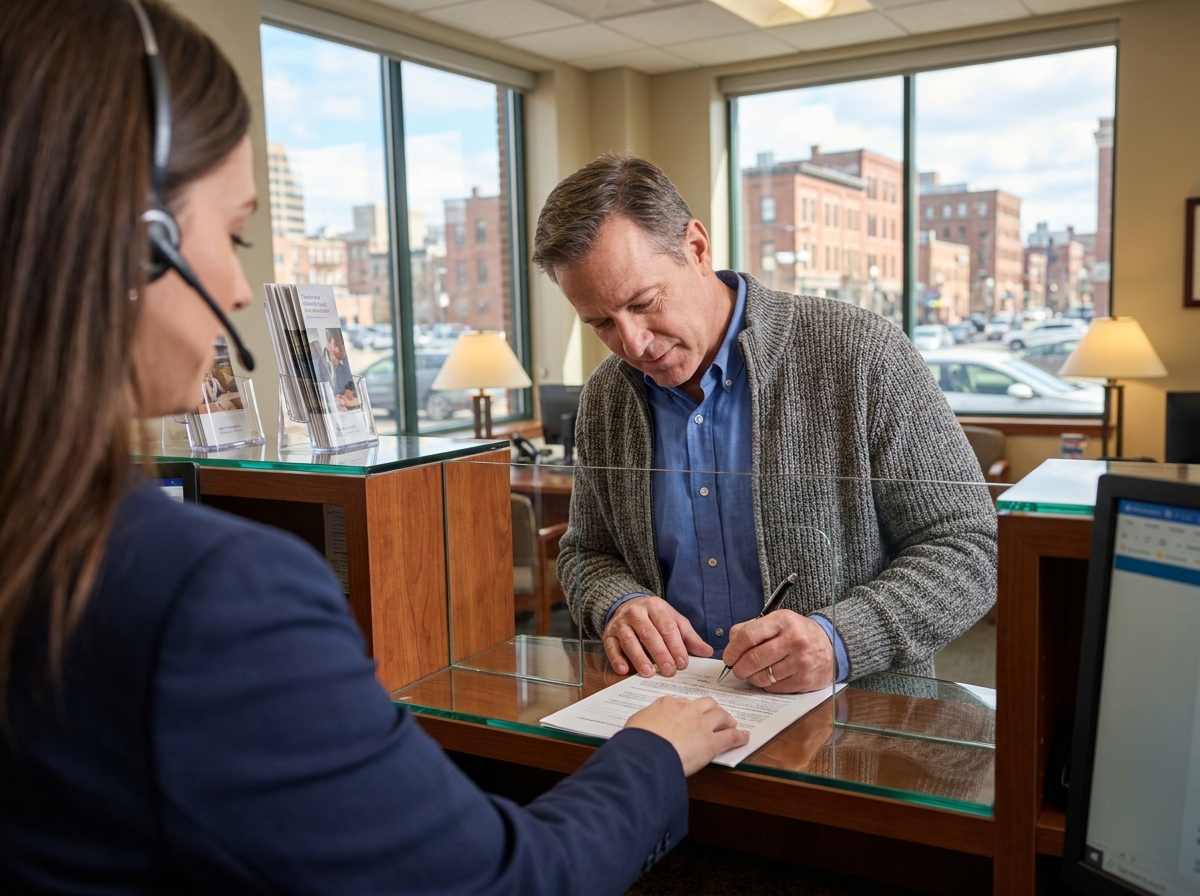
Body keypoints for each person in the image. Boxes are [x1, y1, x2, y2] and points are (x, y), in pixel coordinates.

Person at [0, 3, 748, 892]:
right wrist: (650, 752)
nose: (239, 287)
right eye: (234, 235)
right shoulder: (210, 596)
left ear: (697, 248)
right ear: (136, 246)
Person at [535, 155, 997, 694]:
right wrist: (616, 600)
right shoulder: (607, 397)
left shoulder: (861, 352)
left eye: (644, 302)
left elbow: (971, 547)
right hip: (671, 718)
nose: (633, 344)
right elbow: (586, 552)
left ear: (697, 248)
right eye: (601, 324)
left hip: (854, 729)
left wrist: (838, 640)